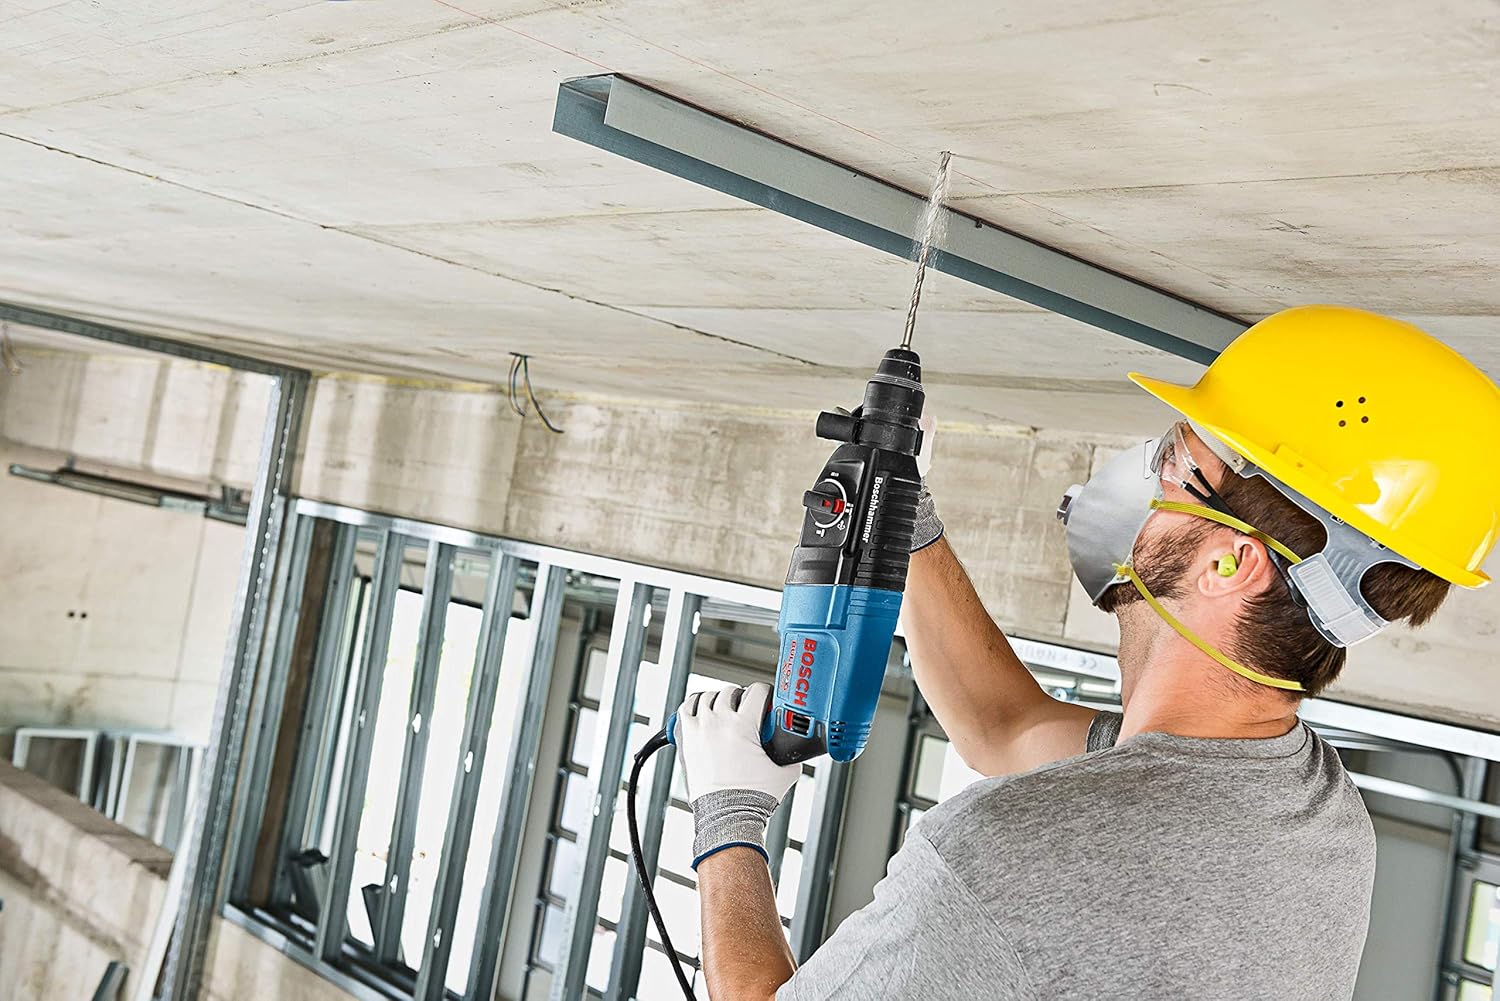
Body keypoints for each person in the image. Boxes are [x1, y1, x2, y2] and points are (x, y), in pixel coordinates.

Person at [671, 305, 1500, 1000]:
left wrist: (728, 816)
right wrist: (907, 524)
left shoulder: (1007, 857)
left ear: (1229, 563)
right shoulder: (1303, 811)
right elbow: (1006, 728)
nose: (1138, 477)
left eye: (1175, 467)